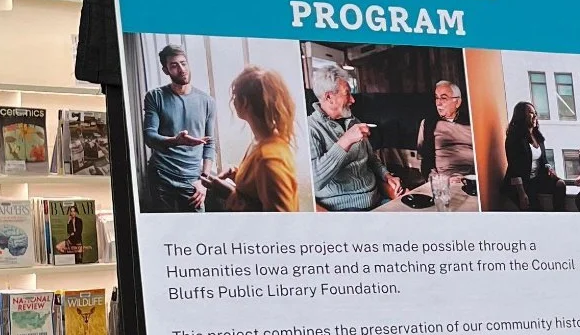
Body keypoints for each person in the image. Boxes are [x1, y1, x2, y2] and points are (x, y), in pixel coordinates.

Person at [201, 67, 300, 213]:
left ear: (245, 102)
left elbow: (282, 220)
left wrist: (230, 194)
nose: (233, 101)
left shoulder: (269, 159)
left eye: (235, 96)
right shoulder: (263, 141)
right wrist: (237, 174)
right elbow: (261, 188)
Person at [308, 60, 396, 210]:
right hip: (345, 209)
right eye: (347, 94)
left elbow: (372, 159)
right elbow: (314, 181)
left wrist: (387, 176)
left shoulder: (353, 121)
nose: (353, 100)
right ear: (329, 97)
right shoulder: (310, 128)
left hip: (377, 199)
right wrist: (346, 141)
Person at [141, 45, 218, 211]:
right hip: (161, 175)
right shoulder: (154, 97)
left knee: (197, 226)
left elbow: (210, 144)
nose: (181, 69)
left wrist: (204, 181)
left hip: (193, 179)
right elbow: (149, 137)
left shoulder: (207, 101)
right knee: (164, 225)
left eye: (183, 63)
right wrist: (176, 141)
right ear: (166, 70)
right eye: (174, 65)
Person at [417, 79, 476, 182]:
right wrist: (439, 181)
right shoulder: (428, 124)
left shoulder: (472, 122)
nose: (438, 103)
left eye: (443, 98)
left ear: (457, 102)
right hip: (443, 181)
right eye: (436, 98)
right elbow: (424, 162)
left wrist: (468, 178)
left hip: (471, 178)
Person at [501, 101, 546, 209]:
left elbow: (543, 160)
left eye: (535, 113)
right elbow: (514, 168)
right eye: (530, 112)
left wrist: (549, 168)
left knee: (560, 185)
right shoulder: (514, 138)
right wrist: (521, 194)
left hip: (534, 180)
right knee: (537, 210)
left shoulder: (537, 136)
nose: (534, 116)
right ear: (521, 116)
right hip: (520, 185)